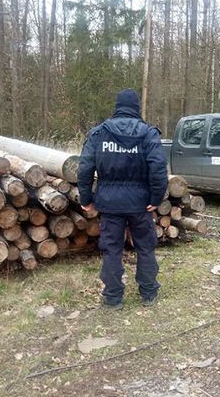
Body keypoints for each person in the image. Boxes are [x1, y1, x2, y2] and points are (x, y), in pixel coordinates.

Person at [77, 89, 168, 309]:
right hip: (140, 203)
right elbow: (158, 168)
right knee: (145, 247)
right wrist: (156, 198)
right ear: (136, 108)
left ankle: (113, 297)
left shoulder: (99, 133)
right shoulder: (148, 133)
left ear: (117, 107)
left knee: (111, 249)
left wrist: (86, 197)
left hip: (110, 203)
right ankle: (148, 293)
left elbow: (85, 168)